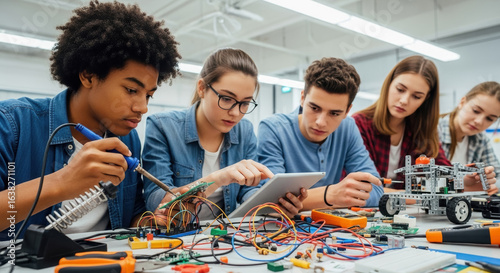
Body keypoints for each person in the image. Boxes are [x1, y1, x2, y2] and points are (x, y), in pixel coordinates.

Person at [0, 1, 181, 239]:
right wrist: (60, 183)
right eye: (130, 90)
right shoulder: (13, 124)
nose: (143, 108)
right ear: (88, 76)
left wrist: (156, 217)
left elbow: (131, 213)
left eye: (148, 95)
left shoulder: (127, 138)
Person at [142, 48, 306, 219]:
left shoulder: (245, 131)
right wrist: (219, 178)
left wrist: (272, 206)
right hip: (178, 236)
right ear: (202, 88)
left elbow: (248, 190)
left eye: (245, 103)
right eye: (227, 99)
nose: (236, 113)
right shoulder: (162, 127)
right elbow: (157, 202)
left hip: (225, 237)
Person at [353, 56, 496, 193]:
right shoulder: (358, 125)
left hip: (410, 213)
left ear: (425, 99)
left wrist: (463, 181)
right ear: (389, 84)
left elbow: (442, 171)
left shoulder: (422, 129)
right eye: (400, 89)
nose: (404, 100)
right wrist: (415, 196)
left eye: (416, 96)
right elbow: (362, 188)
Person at [258, 57, 383, 210]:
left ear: (347, 111)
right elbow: (270, 201)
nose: (321, 122)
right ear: (303, 98)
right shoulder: (273, 129)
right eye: (315, 108)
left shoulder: (348, 127)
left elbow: (376, 189)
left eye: (335, 113)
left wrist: (308, 200)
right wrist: (329, 195)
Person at [438, 81, 499, 194]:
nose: (479, 121)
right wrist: (461, 183)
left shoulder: (481, 140)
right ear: (462, 102)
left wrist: (491, 179)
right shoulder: (433, 132)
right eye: (476, 111)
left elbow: (497, 176)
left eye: (490, 119)